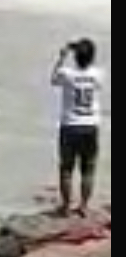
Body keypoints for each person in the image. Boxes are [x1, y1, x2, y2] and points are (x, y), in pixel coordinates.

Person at [50, 38, 103, 216]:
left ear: (76, 57)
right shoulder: (98, 74)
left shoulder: (66, 74)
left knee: (66, 168)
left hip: (70, 126)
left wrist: (62, 56)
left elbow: (53, 79)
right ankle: (84, 206)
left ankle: (65, 207)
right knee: (88, 168)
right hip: (90, 126)